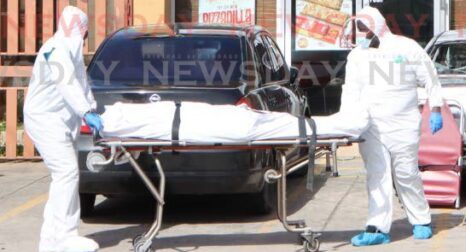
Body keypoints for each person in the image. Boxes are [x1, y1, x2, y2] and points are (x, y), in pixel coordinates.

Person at [344, 6, 444, 246]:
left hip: (403, 124)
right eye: (360, 30)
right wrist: (347, 123)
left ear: (377, 25)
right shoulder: (357, 56)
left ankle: (421, 219)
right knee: (377, 176)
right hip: (371, 126)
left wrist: (436, 108)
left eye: (366, 29)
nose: (363, 34)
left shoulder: (406, 47)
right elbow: (350, 91)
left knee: (406, 173)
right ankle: (377, 227)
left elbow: (430, 79)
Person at [23, 7, 103, 252]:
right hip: (45, 120)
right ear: (79, 29)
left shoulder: (70, 52)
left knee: (62, 176)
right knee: (67, 173)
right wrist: (85, 111)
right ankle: (65, 237)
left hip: (57, 122)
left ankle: (49, 237)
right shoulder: (56, 50)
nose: (86, 37)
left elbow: (81, 83)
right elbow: (67, 83)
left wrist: (91, 109)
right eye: (85, 32)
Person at [98, 100, 367, 143]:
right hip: (228, 123)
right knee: (289, 124)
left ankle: (348, 124)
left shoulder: (119, 119)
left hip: (228, 123)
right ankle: (348, 124)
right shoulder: (121, 116)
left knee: (289, 125)